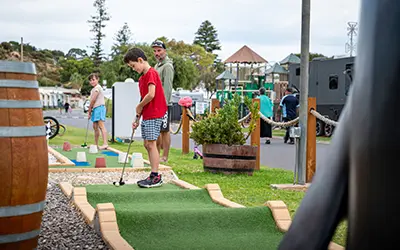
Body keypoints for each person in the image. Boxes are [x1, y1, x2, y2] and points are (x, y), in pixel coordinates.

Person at [124, 47, 168, 188]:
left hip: (155, 112)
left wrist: (139, 105)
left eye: (133, 65)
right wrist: (137, 117)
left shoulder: (150, 73)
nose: (133, 68)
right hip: (148, 113)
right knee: (147, 144)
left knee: (151, 143)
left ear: (140, 60)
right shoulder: (142, 77)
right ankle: (153, 174)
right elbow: (144, 97)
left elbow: (151, 94)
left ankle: (155, 176)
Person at [151, 40, 174, 163]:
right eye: (154, 51)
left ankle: (165, 156)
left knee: (164, 131)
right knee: (158, 130)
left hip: (164, 104)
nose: (157, 53)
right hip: (156, 104)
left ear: (165, 51)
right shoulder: (156, 66)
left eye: (159, 50)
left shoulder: (168, 66)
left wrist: (163, 104)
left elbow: (167, 87)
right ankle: (157, 154)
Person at [87, 73, 109, 150]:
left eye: (93, 80)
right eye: (90, 80)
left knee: (101, 125)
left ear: (97, 79)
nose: (92, 81)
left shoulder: (97, 87)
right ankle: (95, 144)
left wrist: (89, 111)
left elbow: (93, 100)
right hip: (95, 109)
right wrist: (91, 110)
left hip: (99, 108)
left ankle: (105, 143)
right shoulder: (93, 89)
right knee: (95, 127)